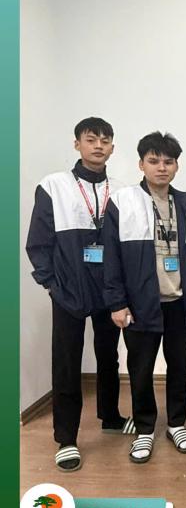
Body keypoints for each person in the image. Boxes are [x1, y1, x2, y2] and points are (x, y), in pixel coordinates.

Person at [26, 117, 134, 472]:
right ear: (77, 144)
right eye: (91, 139)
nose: (98, 145)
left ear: (113, 147)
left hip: (109, 289)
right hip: (69, 290)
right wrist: (51, 284)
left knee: (109, 356)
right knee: (67, 362)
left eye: (105, 140)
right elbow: (38, 242)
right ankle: (66, 438)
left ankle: (111, 417)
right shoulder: (53, 186)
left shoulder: (122, 190)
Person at [103, 131, 186, 463]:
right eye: (154, 161)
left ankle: (177, 423)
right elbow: (111, 256)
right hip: (141, 303)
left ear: (177, 166)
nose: (161, 167)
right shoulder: (122, 201)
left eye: (168, 162)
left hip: (179, 302)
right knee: (141, 369)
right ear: (141, 164)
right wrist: (117, 302)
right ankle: (145, 429)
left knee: (180, 366)